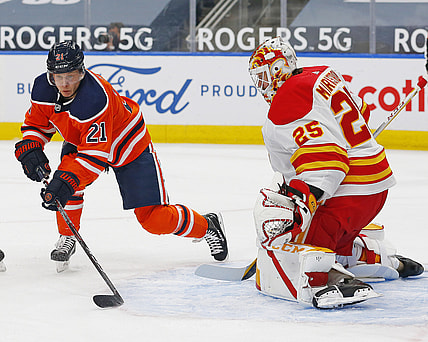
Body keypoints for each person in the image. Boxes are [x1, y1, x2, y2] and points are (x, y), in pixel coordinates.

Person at [14, 40, 228, 272]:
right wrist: (32, 146)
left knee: (153, 220)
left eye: (72, 76)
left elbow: (95, 157)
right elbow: (37, 123)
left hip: (128, 146)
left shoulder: (95, 98)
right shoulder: (42, 88)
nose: (65, 83)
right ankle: (68, 236)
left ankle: (208, 225)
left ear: (82, 72)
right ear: (50, 75)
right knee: (67, 184)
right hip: (83, 141)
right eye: (59, 76)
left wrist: (66, 180)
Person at [248, 37, 424, 308]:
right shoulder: (322, 74)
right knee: (332, 236)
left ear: (279, 68)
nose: (261, 86)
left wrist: (306, 201)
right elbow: (360, 111)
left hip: (348, 192)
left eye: (263, 77)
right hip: (375, 187)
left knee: (295, 245)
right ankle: (382, 259)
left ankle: (327, 278)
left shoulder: (286, 100)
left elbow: (327, 159)